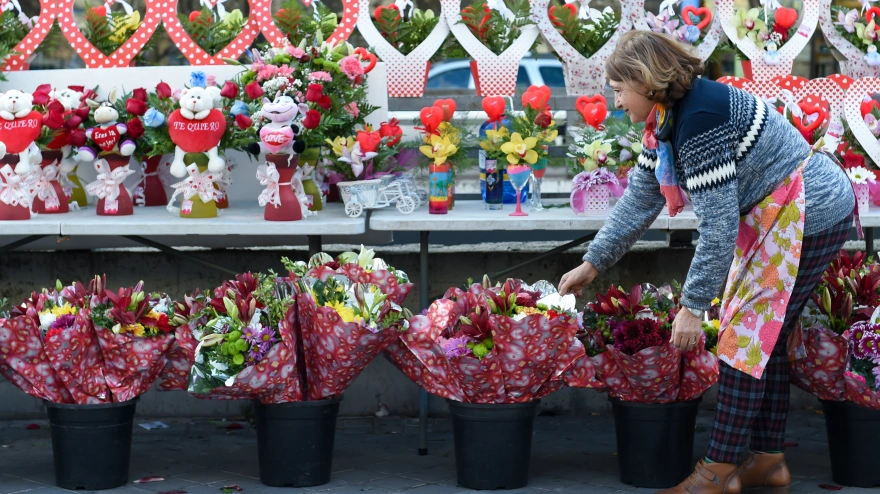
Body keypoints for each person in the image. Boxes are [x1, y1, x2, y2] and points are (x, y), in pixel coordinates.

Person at [558, 31, 856, 494]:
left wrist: (692, 308)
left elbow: (716, 230)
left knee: (744, 340)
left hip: (809, 214)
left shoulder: (698, 121)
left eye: (619, 89)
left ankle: (718, 473)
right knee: (764, 341)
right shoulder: (667, 118)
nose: (616, 102)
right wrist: (591, 264)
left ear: (645, 81)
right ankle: (767, 463)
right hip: (779, 215)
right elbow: (640, 198)